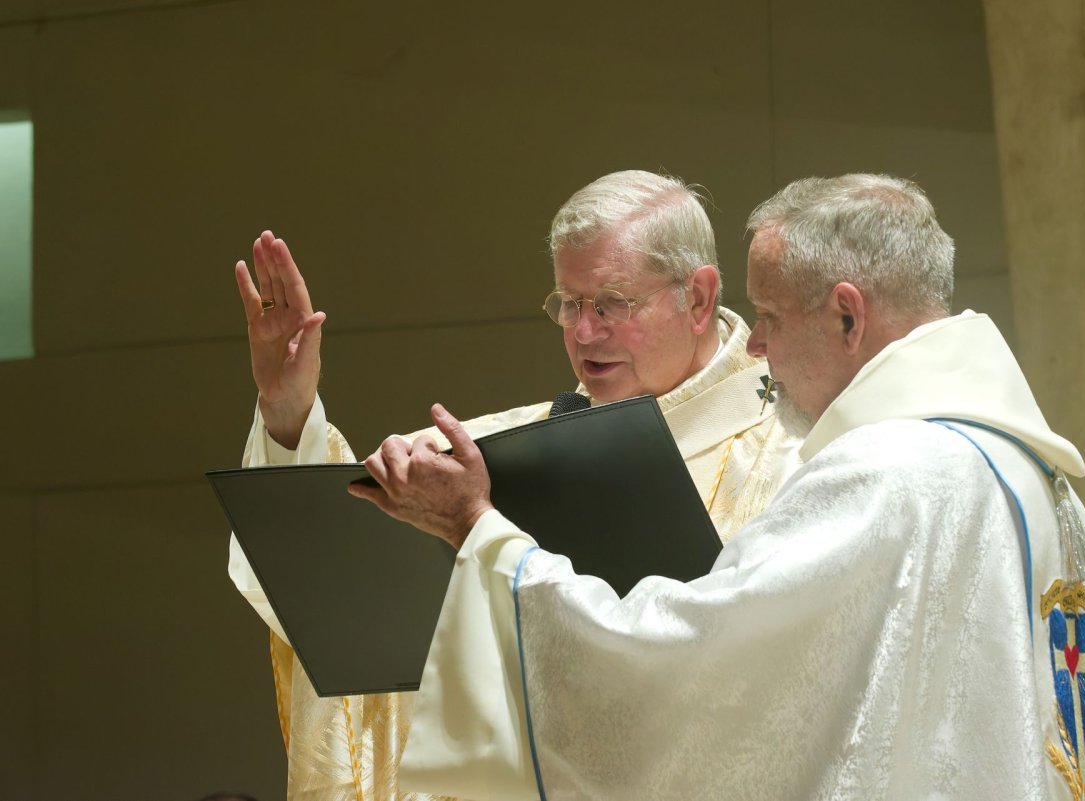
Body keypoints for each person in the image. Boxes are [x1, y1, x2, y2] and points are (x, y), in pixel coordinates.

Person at [352, 174, 1085, 800]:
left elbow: (685, 671)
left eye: (767, 315)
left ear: (847, 317)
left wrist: (483, 537)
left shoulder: (888, 474)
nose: (753, 342)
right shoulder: (1031, 472)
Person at [227, 170, 795, 800]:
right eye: (569, 304)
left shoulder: (798, 453)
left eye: (610, 303)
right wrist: (287, 411)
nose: (583, 333)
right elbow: (317, 586)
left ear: (698, 296)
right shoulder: (494, 457)